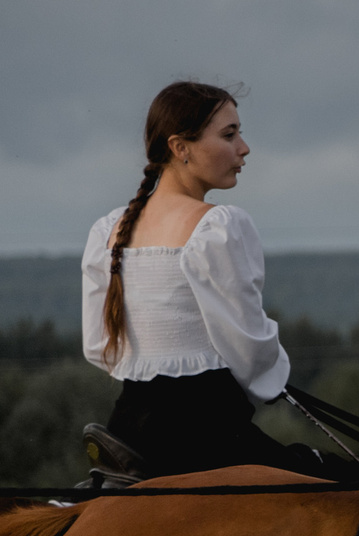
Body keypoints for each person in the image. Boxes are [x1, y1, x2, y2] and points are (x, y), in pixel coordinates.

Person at [81, 83, 331, 478]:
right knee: (337, 487)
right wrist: (272, 382)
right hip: (206, 439)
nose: (243, 148)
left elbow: (100, 348)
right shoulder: (217, 226)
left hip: (127, 433)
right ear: (181, 147)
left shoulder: (108, 231)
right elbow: (248, 348)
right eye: (229, 135)